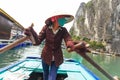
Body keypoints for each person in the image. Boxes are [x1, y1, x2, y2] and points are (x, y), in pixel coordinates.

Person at [24, 14, 88, 80]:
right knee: (45, 74)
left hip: (57, 58)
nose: (64, 20)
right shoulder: (46, 28)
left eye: (64, 19)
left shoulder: (63, 30)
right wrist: (31, 33)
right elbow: (38, 41)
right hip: (46, 55)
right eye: (62, 18)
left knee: (52, 77)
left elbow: (68, 38)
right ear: (54, 19)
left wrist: (70, 44)